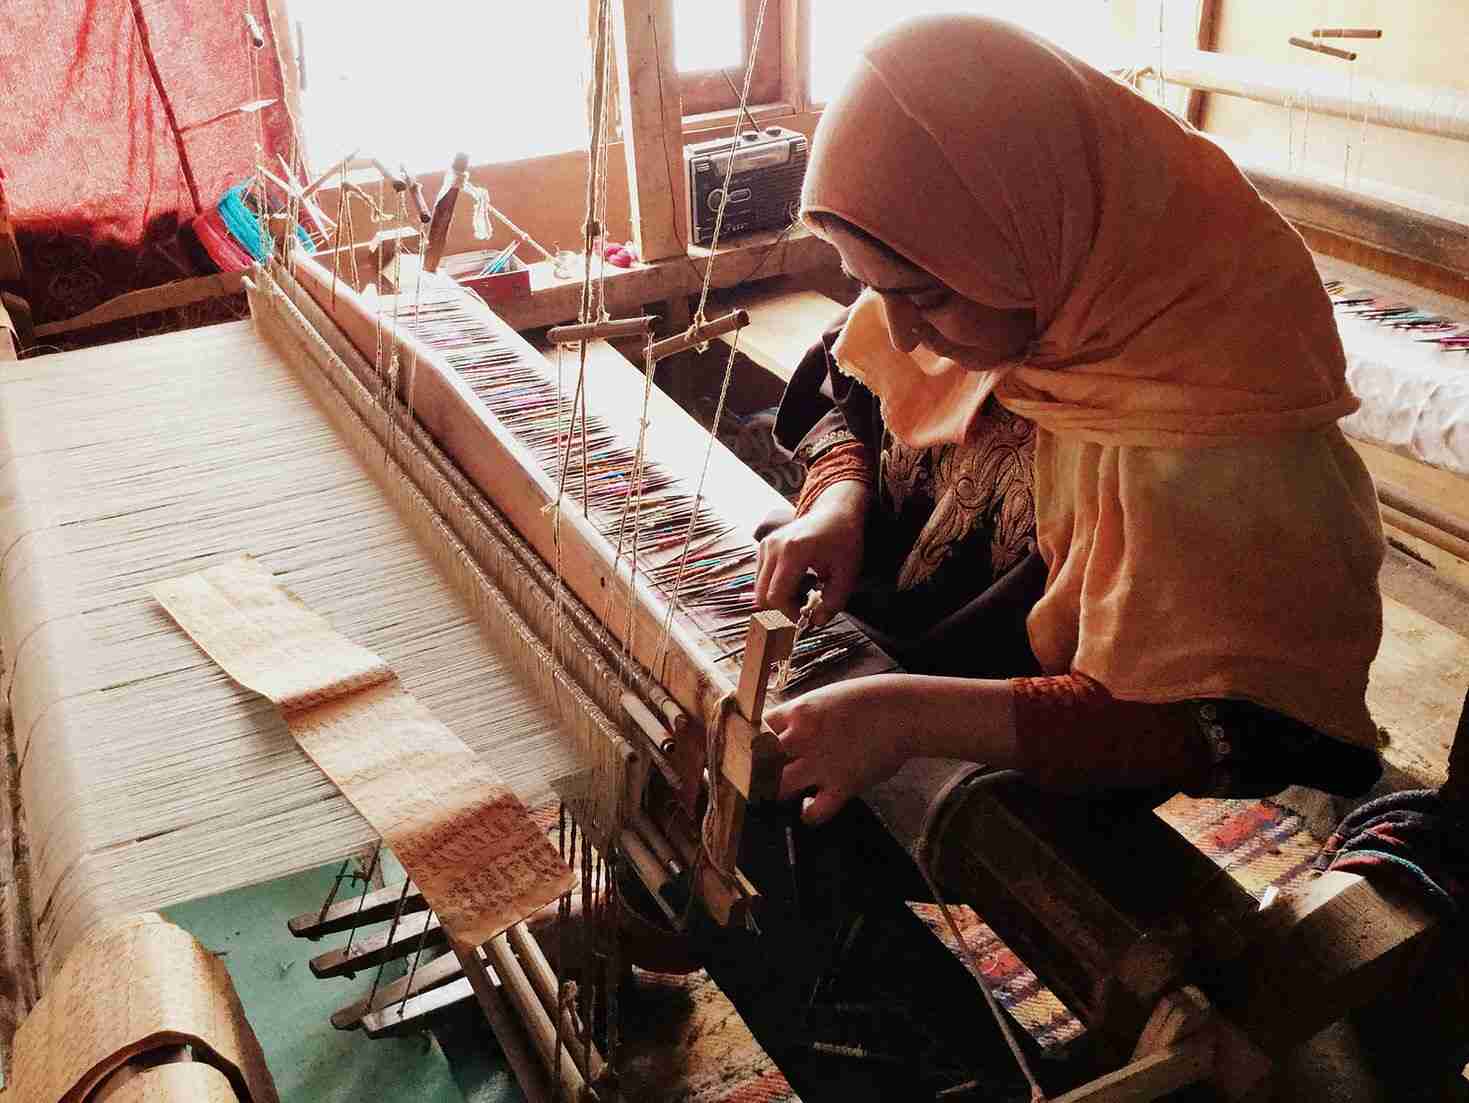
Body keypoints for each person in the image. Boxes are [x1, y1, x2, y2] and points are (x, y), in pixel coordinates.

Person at [754, 14, 1386, 838]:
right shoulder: (1001, 273)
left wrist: (909, 714)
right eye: (875, 289)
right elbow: (853, 386)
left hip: (1067, 734)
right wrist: (837, 502)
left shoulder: (1210, 419)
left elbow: (1225, 724)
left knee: (779, 817)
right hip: (916, 644)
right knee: (733, 669)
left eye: (924, 296)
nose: (903, 332)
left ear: (1027, 231)